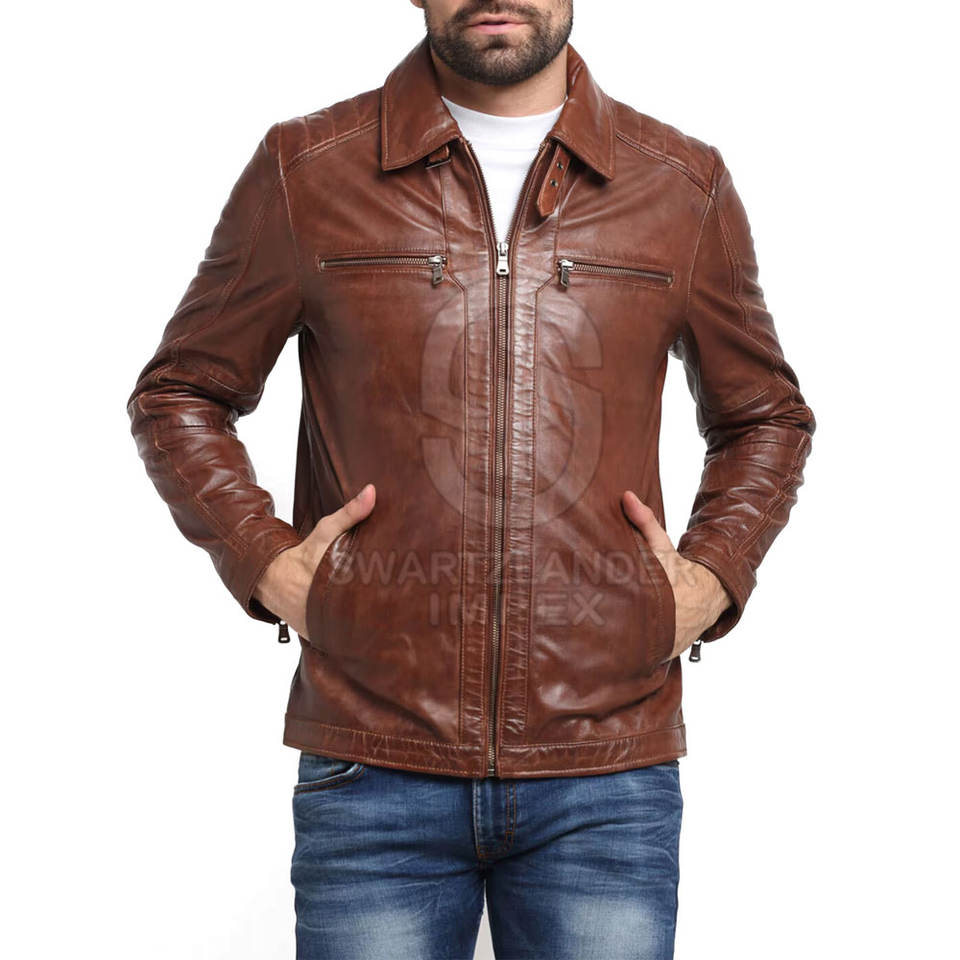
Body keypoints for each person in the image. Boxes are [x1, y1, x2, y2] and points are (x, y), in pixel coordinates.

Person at [126, 2, 816, 957]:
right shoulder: (307, 170)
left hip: (606, 771)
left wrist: (710, 578)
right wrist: (266, 562)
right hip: (372, 761)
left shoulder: (680, 183)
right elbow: (180, 392)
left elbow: (766, 416)